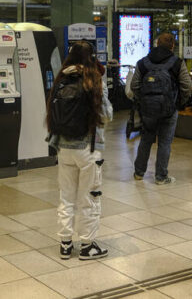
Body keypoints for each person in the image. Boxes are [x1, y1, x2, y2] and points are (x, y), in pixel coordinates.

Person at [46, 41, 112, 260]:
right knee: (89, 198)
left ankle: (65, 244)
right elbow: (107, 115)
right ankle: (87, 246)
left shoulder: (61, 78)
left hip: (63, 148)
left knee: (66, 198)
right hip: (87, 147)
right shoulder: (93, 79)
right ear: (91, 57)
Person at [131, 32, 192, 185]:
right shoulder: (177, 63)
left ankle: (139, 173)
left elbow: (134, 86)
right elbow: (186, 86)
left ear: (157, 43)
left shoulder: (143, 63)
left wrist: (144, 100)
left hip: (147, 109)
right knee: (165, 142)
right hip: (169, 109)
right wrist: (178, 103)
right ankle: (161, 176)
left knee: (146, 139)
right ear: (173, 46)